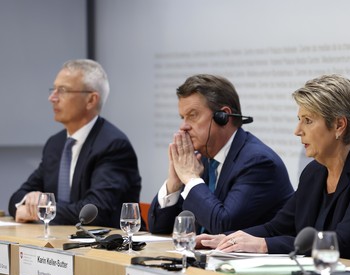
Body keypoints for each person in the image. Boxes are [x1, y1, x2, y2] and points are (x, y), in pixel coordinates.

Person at [202, 74, 350, 262]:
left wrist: (264, 245)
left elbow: (341, 243)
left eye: (307, 120)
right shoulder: (313, 173)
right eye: (299, 119)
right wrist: (228, 239)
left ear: (339, 125)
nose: (297, 130)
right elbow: (277, 227)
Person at [147, 74, 293, 235]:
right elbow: (158, 227)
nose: (183, 127)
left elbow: (223, 225)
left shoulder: (257, 162)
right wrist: (174, 184)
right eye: (183, 117)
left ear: (222, 117)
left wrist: (190, 178)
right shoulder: (200, 159)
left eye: (193, 115)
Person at [8, 59, 141, 228]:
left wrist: (42, 209)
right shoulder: (55, 144)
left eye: (62, 91)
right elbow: (17, 197)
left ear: (91, 100)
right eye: (53, 90)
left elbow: (96, 211)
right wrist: (28, 201)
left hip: (104, 248)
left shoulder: (113, 146)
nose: (52, 98)